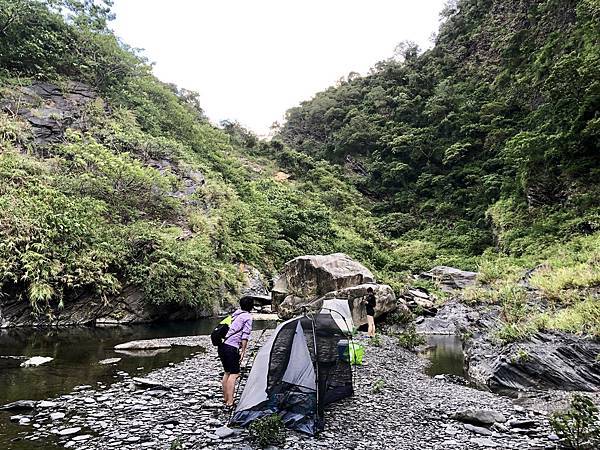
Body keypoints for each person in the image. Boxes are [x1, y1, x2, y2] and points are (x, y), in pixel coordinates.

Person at [218, 297, 253, 407]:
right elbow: (245, 335)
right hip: (232, 347)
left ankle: (225, 399)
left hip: (222, 345)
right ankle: (230, 402)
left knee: (227, 372)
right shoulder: (247, 317)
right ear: (251, 306)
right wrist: (243, 351)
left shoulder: (235, 314)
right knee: (234, 374)